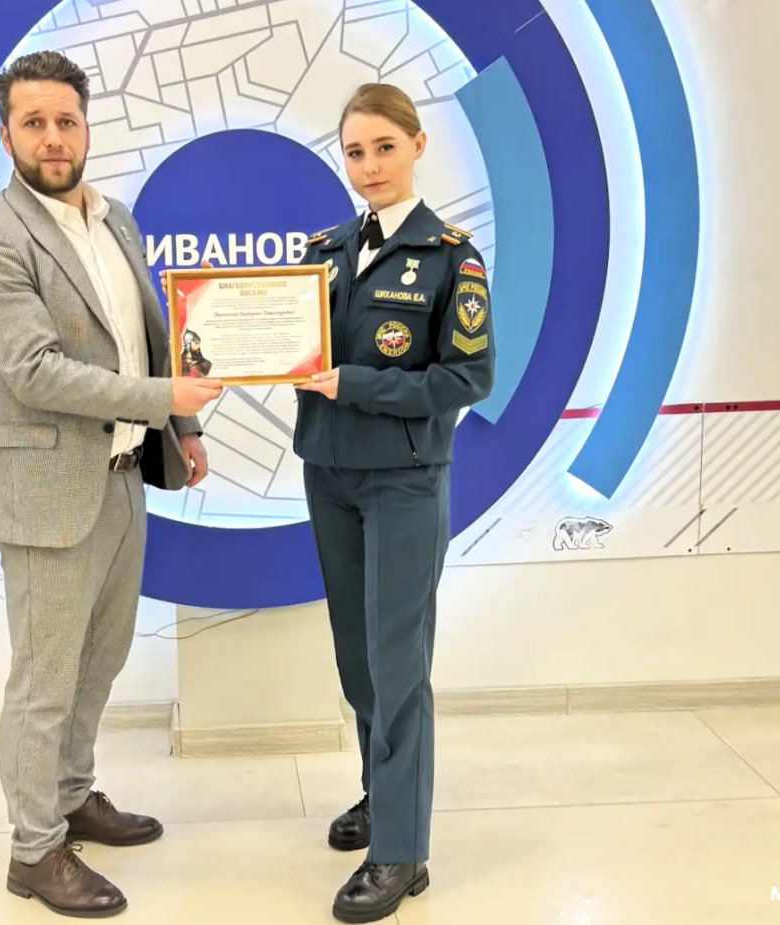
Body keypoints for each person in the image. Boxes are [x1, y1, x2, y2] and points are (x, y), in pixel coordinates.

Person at [0, 50, 223, 918]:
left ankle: (71, 797)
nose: (53, 137)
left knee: (99, 661)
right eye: (33, 122)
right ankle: (34, 851)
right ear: (6, 136)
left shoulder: (117, 219)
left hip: (122, 476)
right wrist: (163, 398)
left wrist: (179, 427)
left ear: (86, 127)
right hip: (46, 493)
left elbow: (144, 336)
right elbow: (36, 371)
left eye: (65, 120)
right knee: (44, 683)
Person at [293, 82, 496, 923]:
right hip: (329, 474)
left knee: (398, 661)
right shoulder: (325, 251)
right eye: (354, 151)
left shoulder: (452, 258)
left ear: (417, 146)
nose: (369, 165)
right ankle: (385, 794)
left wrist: (359, 385)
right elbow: (286, 344)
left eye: (384, 146)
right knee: (357, 657)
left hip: (405, 480)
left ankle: (403, 851)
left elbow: (468, 377)